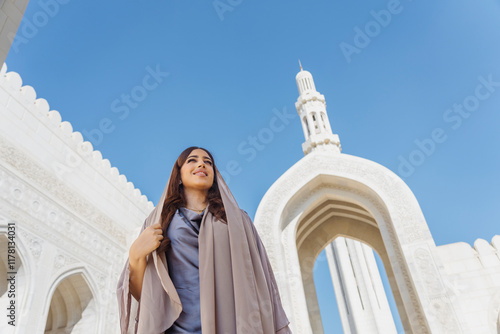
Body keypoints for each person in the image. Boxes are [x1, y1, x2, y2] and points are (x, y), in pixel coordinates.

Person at [117, 146, 292, 334]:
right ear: (178, 174)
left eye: (208, 162)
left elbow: (263, 281)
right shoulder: (159, 221)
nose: (202, 163)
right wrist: (135, 256)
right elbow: (145, 296)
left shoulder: (237, 221)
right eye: (192, 160)